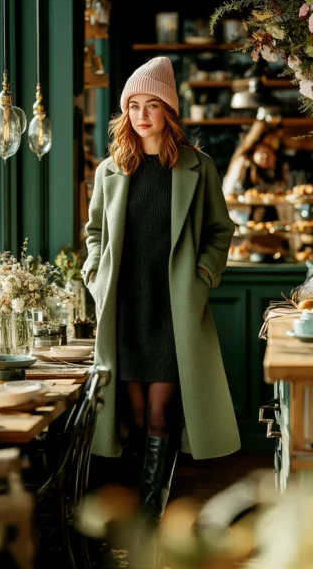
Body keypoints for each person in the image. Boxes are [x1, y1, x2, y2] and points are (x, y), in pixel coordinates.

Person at [81, 57, 240, 525]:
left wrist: (204, 274)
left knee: (159, 415)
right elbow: (93, 234)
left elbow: (220, 231)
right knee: (130, 418)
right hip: (126, 308)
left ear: (168, 111)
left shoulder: (198, 167)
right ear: (125, 113)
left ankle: (149, 524)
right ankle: (133, 520)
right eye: (134, 105)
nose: (142, 115)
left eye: (152, 105)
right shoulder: (110, 171)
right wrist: (95, 272)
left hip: (173, 310)